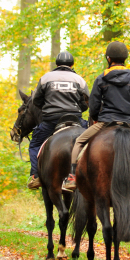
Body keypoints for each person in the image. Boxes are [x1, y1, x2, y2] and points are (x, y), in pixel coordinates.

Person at [62, 41, 130, 192]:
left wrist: (96, 117)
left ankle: (72, 177)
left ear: (108, 58)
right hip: (129, 123)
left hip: (105, 122)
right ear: (125, 58)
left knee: (79, 142)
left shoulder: (101, 79)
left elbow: (93, 105)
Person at [27, 51, 89, 190]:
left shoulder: (45, 78)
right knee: (94, 140)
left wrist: (48, 107)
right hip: (75, 119)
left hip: (51, 120)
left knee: (34, 143)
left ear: (56, 64)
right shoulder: (79, 79)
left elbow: (36, 100)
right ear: (72, 65)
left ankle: (35, 176)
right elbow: (86, 102)